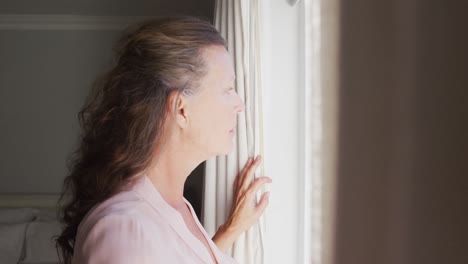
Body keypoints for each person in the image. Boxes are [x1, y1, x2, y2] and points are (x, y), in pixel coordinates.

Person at [55, 16, 272, 264]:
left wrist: (230, 231)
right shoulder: (123, 233)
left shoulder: (174, 210)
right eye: (227, 89)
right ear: (182, 110)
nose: (240, 104)